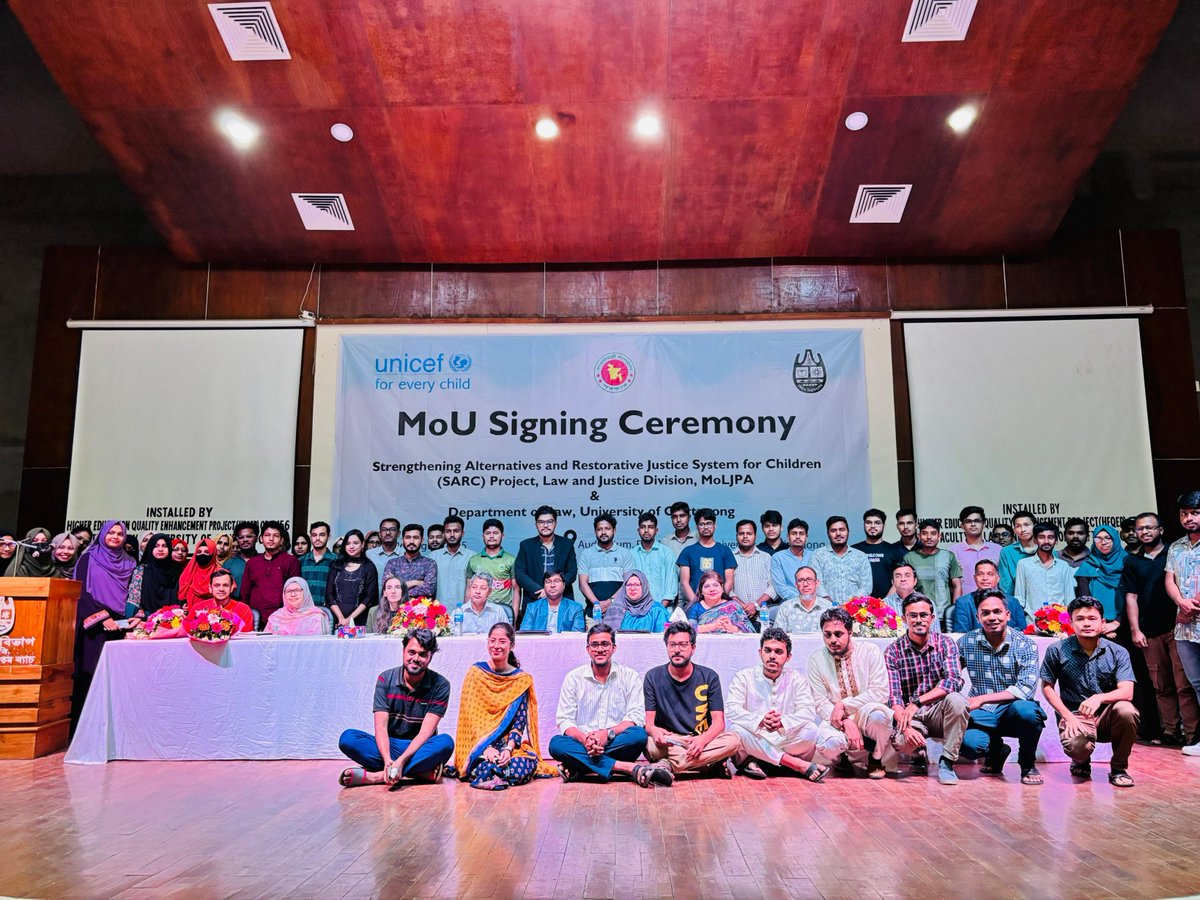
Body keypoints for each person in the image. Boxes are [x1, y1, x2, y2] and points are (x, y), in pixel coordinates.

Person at [1040, 596, 1139, 787]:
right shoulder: (1057, 650)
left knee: (1127, 710)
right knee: (1077, 747)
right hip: (1074, 716)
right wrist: (1067, 716)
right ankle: (1080, 760)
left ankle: (1119, 768)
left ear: (1102, 623)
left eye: (1092, 619)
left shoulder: (1118, 652)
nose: (1086, 623)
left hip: (1107, 717)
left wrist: (1099, 698)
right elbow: (1047, 687)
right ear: (1071, 623)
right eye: (1080, 618)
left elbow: (1127, 692)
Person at [338, 628, 455, 788]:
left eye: (422, 654)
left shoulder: (441, 685)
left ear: (430, 658)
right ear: (403, 652)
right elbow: (381, 728)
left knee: (445, 743)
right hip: (389, 745)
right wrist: (387, 760)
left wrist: (400, 761)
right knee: (348, 738)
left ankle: (376, 776)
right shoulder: (385, 679)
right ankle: (417, 772)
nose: (416, 658)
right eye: (411, 652)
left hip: (419, 746)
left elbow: (425, 733)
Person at [549, 624, 659, 785]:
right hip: (584, 742)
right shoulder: (573, 678)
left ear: (614, 648)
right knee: (556, 744)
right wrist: (586, 740)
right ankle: (626, 768)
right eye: (595, 645)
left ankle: (580, 767)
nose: (600, 649)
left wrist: (606, 734)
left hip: (616, 741)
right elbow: (564, 720)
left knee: (638, 735)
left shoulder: (629, 676)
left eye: (605, 644)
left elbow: (635, 717)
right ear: (588, 649)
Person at [957, 589, 1047, 785]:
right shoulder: (966, 642)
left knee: (1028, 711)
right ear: (978, 617)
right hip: (981, 713)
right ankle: (997, 751)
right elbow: (952, 675)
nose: (992, 617)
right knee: (967, 745)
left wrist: (982, 698)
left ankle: (1027, 764)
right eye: (986, 613)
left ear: (1007, 614)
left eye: (997, 612)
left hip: (1012, 710)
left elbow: (1025, 689)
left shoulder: (1025, 644)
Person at [452, 623, 556, 790]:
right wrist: (486, 748)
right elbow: (470, 719)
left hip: (506, 743)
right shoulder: (476, 674)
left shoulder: (520, 680)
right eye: (492, 641)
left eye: (502, 641)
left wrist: (508, 750)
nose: (496, 646)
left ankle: (490, 775)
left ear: (512, 645)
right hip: (477, 743)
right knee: (481, 762)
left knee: (524, 763)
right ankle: (493, 773)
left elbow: (519, 723)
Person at [1125, 511, 1199, 747]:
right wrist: (1135, 629)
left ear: (1160, 530)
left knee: (1184, 685)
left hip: (1178, 628)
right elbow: (1131, 597)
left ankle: (1192, 734)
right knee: (1161, 686)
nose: (1145, 532)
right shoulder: (1132, 561)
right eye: (1140, 529)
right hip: (1149, 631)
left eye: (1150, 528)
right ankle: (1170, 731)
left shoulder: (1174, 552)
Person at [726, 626, 837, 781]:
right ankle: (795, 764)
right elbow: (731, 709)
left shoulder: (796, 679)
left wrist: (782, 723)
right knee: (736, 730)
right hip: (757, 734)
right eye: (768, 650)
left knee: (810, 730)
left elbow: (808, 711)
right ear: (760, 653)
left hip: (782, 738)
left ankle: (757, 762)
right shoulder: (744, 677)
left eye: (778, 652)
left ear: (788, 656)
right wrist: (760, 721)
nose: (772, 656)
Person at [885, 594, 970, 785]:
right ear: (904, 618)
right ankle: (917, 753)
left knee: (958, 700)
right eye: (913, 615)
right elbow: (894, 697)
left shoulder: (946, 643)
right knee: (901, 742)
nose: (918, 620)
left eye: (924, 615)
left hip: (939, 711)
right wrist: (905, 728)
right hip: (910, 716)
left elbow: (954, 681)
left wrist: (918, 702)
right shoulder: (893, 651)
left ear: (932, 618)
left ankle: (947, 763)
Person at [642, 622, 742, 777]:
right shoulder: (652, 677)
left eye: (683, 644)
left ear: (693, 648)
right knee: (647, 743)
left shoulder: (709, 676)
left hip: (700, 739)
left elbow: (719, 723)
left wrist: (702, 740)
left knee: (733, 740)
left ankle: (668, 765)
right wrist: (655, 731)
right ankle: (707, 765)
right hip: (671, 741)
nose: (677, 650)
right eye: (672, 645)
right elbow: (649, 723)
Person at [807, 608, 896, 778]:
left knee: (879, 716)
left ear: (850, 631)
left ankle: (876, 758)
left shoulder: (869, 651)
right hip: (835, 718)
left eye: (838, 634)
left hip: (866, 714)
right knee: (828, 745)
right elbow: (820, 701)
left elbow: (880, 692)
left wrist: (844, 705)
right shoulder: (816, 659)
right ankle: (841, 760)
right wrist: (845, 721)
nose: (832, 640)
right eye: (827, 635)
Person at [70, 520, 136, 727]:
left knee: (118, 677)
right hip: (94, 623)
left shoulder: (130, 562)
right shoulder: (88, 558)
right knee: (90, 673)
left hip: (121, 625)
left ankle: (114, 726)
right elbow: (80, 591)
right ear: (103, 534)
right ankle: (85, 728)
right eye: (111, 533)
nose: (115, 537)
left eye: (119, 534)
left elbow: (133, 594)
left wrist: (134, 616)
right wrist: (103, 617)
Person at [1165, 491, 1200, 757]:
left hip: (1191, 616)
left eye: (1195, 513)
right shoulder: (1176, 546)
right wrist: (1181, 603)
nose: (1189, 518)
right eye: (1184, 513)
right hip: (1184, 626)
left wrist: (1191, 606)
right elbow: (1169, 580)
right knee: (1196, 683)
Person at [514, 506, 578, 610]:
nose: (545, 525)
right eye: (541, 522)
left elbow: (572, 572)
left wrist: (556, 588)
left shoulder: (567, 545)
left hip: (563, 600)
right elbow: (520, 574)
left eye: (549, 522)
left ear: (555, 524)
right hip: (534, 600)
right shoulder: (526, 545)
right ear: (536, 525)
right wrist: (540, 591)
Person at [903, 519, 963, 630]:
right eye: (925, 533)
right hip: (918, 614)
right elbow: (904, 586)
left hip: (943, 615)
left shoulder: (949, 556)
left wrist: (955, 610)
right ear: (919, 536)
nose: (929, 537)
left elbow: (957, 585)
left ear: (939, 536)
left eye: (933, 533)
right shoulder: (909, 557)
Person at [241, 521, 301, 630]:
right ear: (261, 538)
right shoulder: (252, 563)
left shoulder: (291, 561)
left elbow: (296, 592)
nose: (271, 539)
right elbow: (245, 592)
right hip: (257, 618)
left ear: (282, 540)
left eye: (276, 536)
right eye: (267, 535)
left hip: (283, 617)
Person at [577, 513, 634, 619]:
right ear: (595, 532)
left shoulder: (625, 553)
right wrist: (597, 604)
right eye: (600, 529)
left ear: (614, 531)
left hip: (619, 612)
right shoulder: (587, 554)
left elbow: (627, 583)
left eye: (607, 528)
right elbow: (582, 584)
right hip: (593, 613)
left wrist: (609, 602)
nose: (603, 532)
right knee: (593, 636)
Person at [1014, 523, 1076, 616]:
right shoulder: (1023, 564)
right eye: (1042, 537)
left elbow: (1070, 598)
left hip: (1060, 624)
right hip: (1032, 622)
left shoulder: (1063, 566)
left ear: (1056, 541)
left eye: (1050, 537)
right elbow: (1020, 598)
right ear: (1035, 540)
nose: (1046, 541)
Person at [949, 559, 1028, 633]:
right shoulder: (963, 602)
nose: (985, 578)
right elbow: (960, 635)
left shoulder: (1013, 602)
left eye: (990, 574)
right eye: (980, 574)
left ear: (998, 578)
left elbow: (1023, 631)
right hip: (975, 646)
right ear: (975, 578)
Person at [677, 509, 737, 606]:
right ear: (697, 527)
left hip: (720, 605)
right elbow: (684, 582)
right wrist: (697, 604)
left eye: (709, 523)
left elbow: (729, 581)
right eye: (702, 524)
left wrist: (718, 601)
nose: (705, 527)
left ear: (715, 526)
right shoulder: (687, 551)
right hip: (695, 606)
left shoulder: (725, 551)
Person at [465, 519, 520, 622]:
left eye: (495, 533)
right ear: (483, 536)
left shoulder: (511, 560)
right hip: (479, 613)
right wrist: (467, 615)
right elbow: (469, 589)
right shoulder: (474, 560)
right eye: (487, 533)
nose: (491, 536)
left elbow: (516, 590)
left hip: (504, 612)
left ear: (502, 536)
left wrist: (514, 617)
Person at [809, 516, 872, 605]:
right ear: (828, 534)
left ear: (848, 532)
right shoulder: (818, 555)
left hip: (856, 611)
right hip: (825, 610)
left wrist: (851, 605)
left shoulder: (860, 556)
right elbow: (816, 584)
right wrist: (832, 606)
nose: (838, 533)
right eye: (833, 530)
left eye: (842, 529)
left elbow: (866, 586)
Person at [1075, 524, 1128, 625]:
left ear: (1116, 539)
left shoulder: (1128, 563)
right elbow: (1085, 601)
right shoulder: (1088, 566)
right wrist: (1102, 625)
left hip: (1126, 622)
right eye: (1098, 539)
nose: (1103, 543)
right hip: (1096, 624)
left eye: (1108, 538)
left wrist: (1117, 622)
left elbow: (1134, 597)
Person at [326, 529, 379, 628]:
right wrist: (341, 618)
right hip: (337, 619)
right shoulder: (336, 565)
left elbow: (369, 597)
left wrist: (350, 619)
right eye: (348, 543)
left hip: (360, 620)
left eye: (355, 543)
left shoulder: (369, 567)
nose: (351, 546)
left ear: (363, 544)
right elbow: (329, 595)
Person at [731, 519, 777, 627]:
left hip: (764, 618)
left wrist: (756, 605)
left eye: (749, 533)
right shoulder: (729, 557)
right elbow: (726, 588)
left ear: (755, 535)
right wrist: (743, 606)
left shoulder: (766, 557)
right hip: (737, 617)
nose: (745, 536)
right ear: (736, 535)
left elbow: (774, 586)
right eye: (742, 533)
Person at [125, 534, 182, 620]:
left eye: (164, 546)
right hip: (145, 620)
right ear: (150, 548)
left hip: (173, 620)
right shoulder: (141, 570)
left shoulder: (177, 571)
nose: (160, 549)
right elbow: (134, 597)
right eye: (156, 546)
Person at [630, 512, 678, 605]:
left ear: (656, 530)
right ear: (638, 530)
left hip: (663, 610)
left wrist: (660, 610)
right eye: (643, 527)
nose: (646, 530)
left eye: (650, 527)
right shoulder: (631, 554)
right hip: (637, 610)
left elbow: (670, 586)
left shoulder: (667, 553)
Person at [382, 524, 438, 603]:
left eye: (416, 538)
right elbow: (386, 587)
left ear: (422, 540)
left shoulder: (429, 564)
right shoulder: (392, 563)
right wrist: (416, 582)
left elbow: (428, 589)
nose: (411, 541)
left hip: (420, 612)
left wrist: (397, 589)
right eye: (408, 537)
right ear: (403, 539)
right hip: (395, 610)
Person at [686, 569, 754, 634]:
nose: (712, 589)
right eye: (707, 586)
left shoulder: (733, 606)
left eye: (716, 585)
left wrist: (733, 628)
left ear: (722, 588)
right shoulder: (695, 608)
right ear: (701, 591)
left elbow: (750, 631)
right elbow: (688, 631)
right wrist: (712, 626)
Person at [950, 506, 1000, 593]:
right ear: (962, 525)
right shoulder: (953, 551)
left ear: (984, 524)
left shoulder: (998, 549)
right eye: (968, 521)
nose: (973, 524)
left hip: (992, 602)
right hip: (966, 603)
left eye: (977, 521)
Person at [853, 508, 900, 599]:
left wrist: (885, 602)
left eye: (877, 523)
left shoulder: (894, 550)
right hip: (858, 604)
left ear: (883, 525)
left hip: (888, 604)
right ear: (864, 525)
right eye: (868, 522)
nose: (872, 526)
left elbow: (898, 580)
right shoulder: (854, 550)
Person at [603, 569, 669, 632]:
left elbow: (663, 639)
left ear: (644, 587)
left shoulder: (657, 610)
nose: (632, 588)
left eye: (637, 585)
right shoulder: (616, 609)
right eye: (629, 585)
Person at [519, 570, 585, 633]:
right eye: (548, 582)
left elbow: (577, 637)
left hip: (565, 644)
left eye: (557, 581)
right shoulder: (532, 608)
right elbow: (525, 634)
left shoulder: (576, 608)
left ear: (564, 585)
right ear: (544, 586)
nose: (552, 585)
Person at [190, 568, 253, 632]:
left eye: (225, 585)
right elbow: (188, 633)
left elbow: (246, 639)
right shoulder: (198, 608)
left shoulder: (243, 609)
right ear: (210, 588)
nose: (221, 589)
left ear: (231, 588)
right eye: (217, 585)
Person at [431, 515, 472, 610]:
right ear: (444, 533)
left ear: (462, 533)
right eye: (448, 531)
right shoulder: (433, 557)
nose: (452, 534)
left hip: (463, 614)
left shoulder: (472, 557)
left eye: (456, 531)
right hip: (436, 615)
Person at [775, 567, 833, 634]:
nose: (805, 584)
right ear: (796, 585)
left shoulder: (829, 608)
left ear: (817, 583)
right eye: (801, 580)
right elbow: (777, 638)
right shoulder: (785, 608)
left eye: (809, 579)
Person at [266, 577, 332, 635]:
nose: (293, 594)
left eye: (297, 590)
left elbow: (321, 646)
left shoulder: (317, 617)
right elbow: (265, 645)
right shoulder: (275, 617)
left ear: (305, 592)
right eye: (288, 591)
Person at [770, 518, 811, 602]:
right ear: (788, 536)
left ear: (806, 537)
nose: (798, 537)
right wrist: (802, 600)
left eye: (801, 534)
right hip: (789, 606)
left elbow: (819, 583)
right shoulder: (778, 558)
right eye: (794, 533)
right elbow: (780, 587)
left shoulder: (814, 556)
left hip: (814, 605)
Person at [998, 510, 1037, 594]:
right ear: (1014, 530)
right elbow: (1006, 585)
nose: (1023, 529)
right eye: (1018, 526)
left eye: (1027, 525)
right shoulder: (1007, 552)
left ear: (1035, 526)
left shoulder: (1047, 549)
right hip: (1017, 601)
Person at [298, 521, 333, 607]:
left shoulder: (336, 561)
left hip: (328, 612)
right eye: (314, 535)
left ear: (329, 536)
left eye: (322, 535)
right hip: (304, 610)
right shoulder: (301, 561)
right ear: (310, 537)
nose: (317, 538)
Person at [176, 537, 218, 607]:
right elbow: (182, 596)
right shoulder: (189, 572)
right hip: (190, 613)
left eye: (207, 552)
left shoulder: (220, 573)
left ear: (213, 554)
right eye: (199, 552)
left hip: (213, 614)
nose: (202, 554)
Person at [224, 521, 258, 594]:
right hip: (235, 603)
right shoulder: (229, 564)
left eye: (249, 536)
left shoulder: (264, 561)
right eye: (241, 537)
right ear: (237, 540)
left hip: (259, 604)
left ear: (256, 538)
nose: (245, 540)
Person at [366, 518, 403, 585]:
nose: (388, 533)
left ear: (398, 533)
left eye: (392, 529)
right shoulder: (368, 554)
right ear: (380, 534)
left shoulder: (405, 554)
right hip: (373, 595)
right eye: (384, 530)